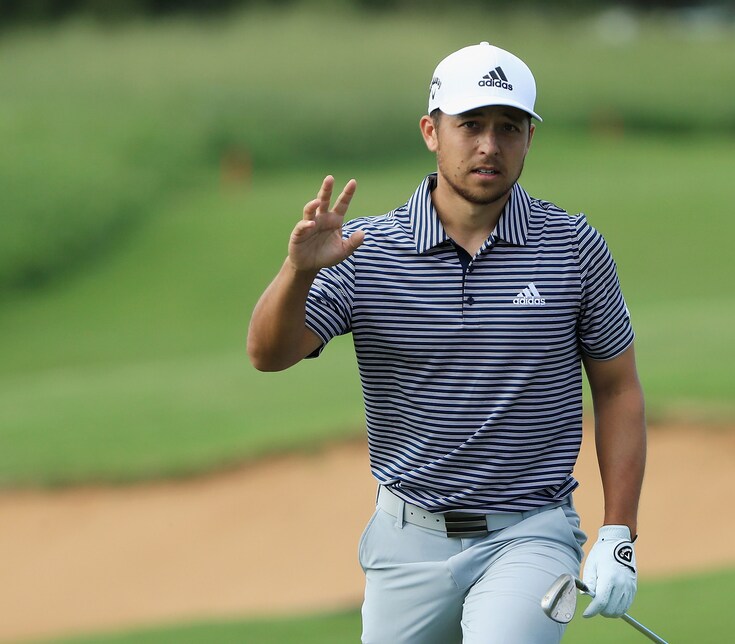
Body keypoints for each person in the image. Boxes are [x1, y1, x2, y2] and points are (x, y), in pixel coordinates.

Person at [247, 41, 647, 644]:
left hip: (530, 533)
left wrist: (619, 533)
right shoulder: (366, 251)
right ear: (432, 132)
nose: (490, 145)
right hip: (406, 540)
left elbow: (617, 391)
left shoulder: (572, 247)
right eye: (471, 126)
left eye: (508, 128)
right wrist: (298, 270)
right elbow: (267, 355)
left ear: (529, 139)